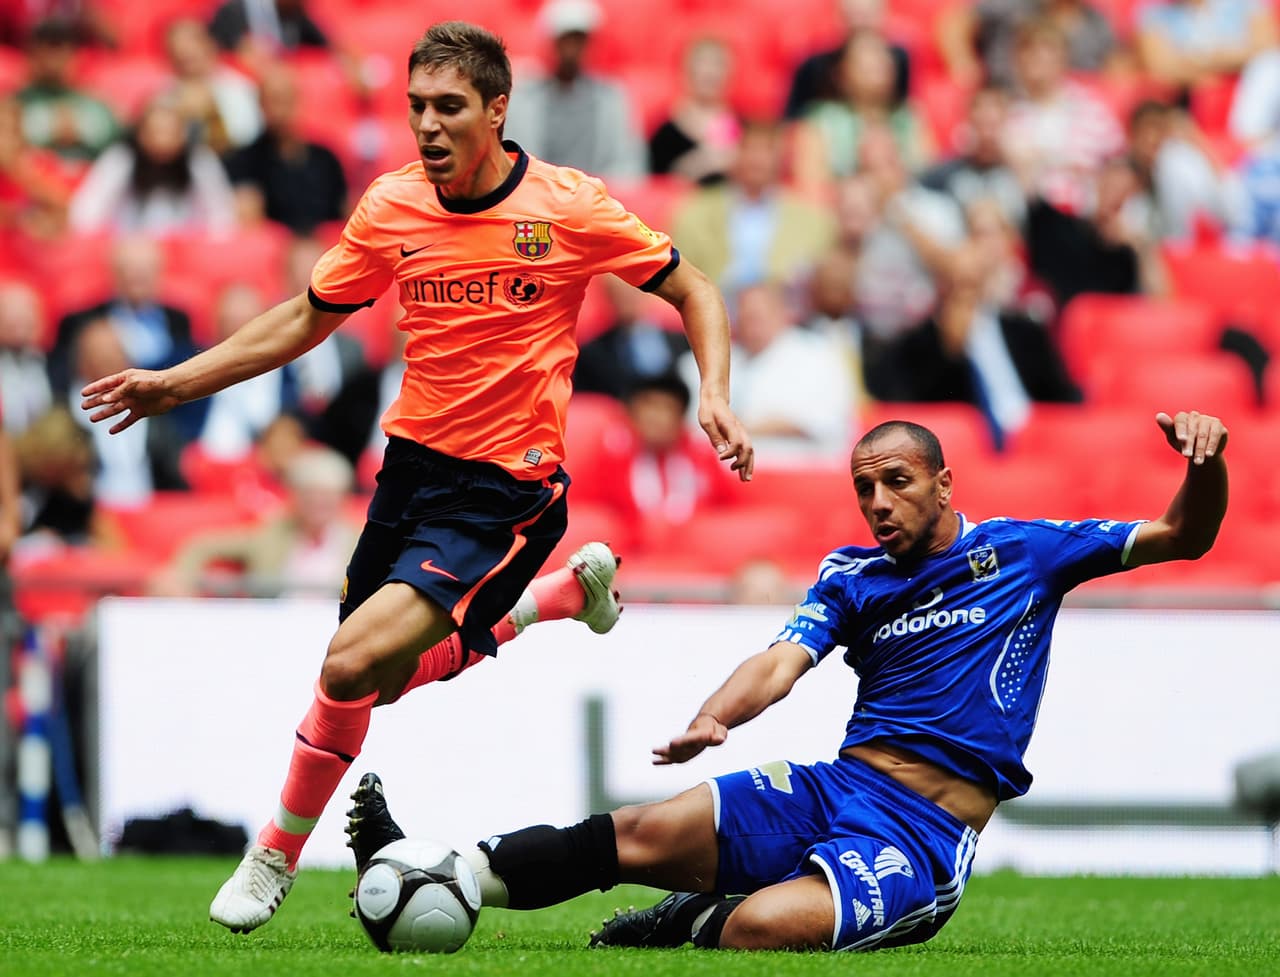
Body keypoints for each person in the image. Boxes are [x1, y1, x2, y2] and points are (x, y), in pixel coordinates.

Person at [80, 20, 752, 933]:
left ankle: (275, 851)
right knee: (375, 684)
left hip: (506, 490)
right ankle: (552, 604)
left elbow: (693, 288)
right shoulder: (393, 204)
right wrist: (177, 380)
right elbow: (303, 319)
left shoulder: (567, 206)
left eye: (448, 108)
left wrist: (713, 390)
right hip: (410, 473)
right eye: (415, 109)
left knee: (346, 660)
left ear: (497, 109)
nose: (427, 127)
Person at [348, 409, 1230, 952]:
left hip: (924, 834)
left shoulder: (1028, 552)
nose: (878, 502)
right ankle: (443, 868)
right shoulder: (853, 575)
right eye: (863, 488)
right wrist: (713, 715)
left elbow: (1183, 538)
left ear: (943, 482)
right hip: (837, 786)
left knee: (768, 926)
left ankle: (691, 919)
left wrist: (1206, 464)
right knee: (643, 829)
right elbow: (781, 663)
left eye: (896, 483)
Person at [501, 0, 646, 181]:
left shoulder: (612, 98)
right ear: (551, 43)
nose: (572, 50)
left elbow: (627, 163)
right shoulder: (523, 98)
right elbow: (509, 158)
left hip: (596, 197)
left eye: (579, 41)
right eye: (565, 41)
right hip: (537, 195)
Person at [68, 93, 237, 235]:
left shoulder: (200, 160)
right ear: (141, 134)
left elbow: (221, 216)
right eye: (155, 132)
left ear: (183, 134)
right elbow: (87, 211)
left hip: (189, 250)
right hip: (131, 248)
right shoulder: (121, 158)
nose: (162, 141)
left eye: (170, 132)